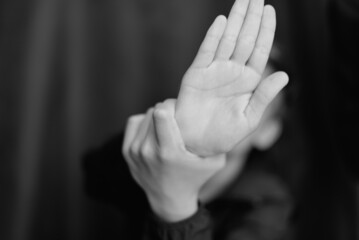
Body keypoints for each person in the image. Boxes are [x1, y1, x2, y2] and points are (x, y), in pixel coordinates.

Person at [83, 0, 290, 239]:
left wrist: (176, 206)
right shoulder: (172, 137)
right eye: (228, 91)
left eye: (252, 98)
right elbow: (95, 176)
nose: (228, 107)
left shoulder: (270, 212)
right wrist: (172, 139)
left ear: (270, 133)